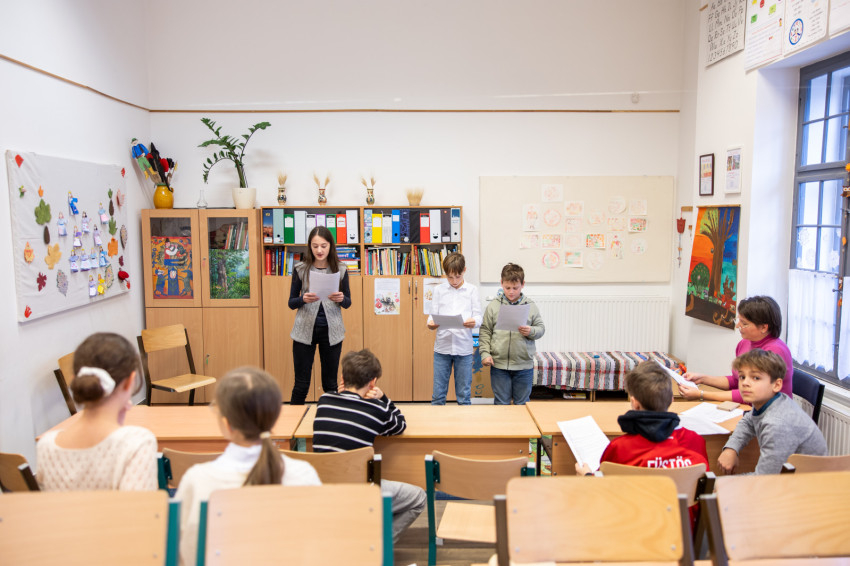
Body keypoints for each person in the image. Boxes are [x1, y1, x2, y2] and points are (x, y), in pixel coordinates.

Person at [175, 367, 321, 566]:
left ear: (226, 424)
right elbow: (316, 544)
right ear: (275, 417)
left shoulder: (198, 480)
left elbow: (185, 552)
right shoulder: (304, 475)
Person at [312, 349, 425, 542]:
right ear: (373, 382)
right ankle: (377, 545)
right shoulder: (376, 409)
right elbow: (400, 425)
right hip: (359, 492)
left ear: (342, 378)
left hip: (323, 488)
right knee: (419, 498)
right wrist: (383, 398)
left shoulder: (324, 401)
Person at [36, 332, 157, 491]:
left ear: (74, 380)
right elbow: (138, 506)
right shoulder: (137, 444)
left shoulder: (46, 445)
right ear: (129, 382)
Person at [575, 360, 708, 475]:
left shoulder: (619, 448)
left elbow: (602, 485)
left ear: (635, 403)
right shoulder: (695, 441)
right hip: (679, 498)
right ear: (671, 399)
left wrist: (587, 476)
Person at [718, 349, 827, 475]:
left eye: (756, 378)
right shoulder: (772, 400)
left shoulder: (777, 424)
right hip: (784, 477)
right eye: (742, 377)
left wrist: (722, 482)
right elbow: (749, 421)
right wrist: (731, 448)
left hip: (806, 482)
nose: (745, 383)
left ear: (776, 385)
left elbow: (764, 479)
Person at [681, 295, 793, 404]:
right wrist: (702, 378)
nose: (738, 326)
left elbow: (749, 393)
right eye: (739, 320)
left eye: (744, 323)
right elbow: (736, 381)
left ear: (764, 327)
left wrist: (701, 394)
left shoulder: (775, 351)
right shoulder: (744, 343)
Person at [289, 225, 351, 405]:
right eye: (315, 246)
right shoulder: (301, 269)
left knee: (330, 385)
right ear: (309, 246)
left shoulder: (341, 268)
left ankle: (330, 419)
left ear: (330, 246)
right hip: (304, 331)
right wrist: (302, 299)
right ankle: (294, 423)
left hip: (332, 332)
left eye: (323, 246)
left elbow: (348, 303)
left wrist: (341, 298)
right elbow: (291, 302)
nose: (319, 250)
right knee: (301, 385)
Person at [479, 263, 545, 405]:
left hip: (523, 365)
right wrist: (485, 353)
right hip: (499, 365)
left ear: (523, 284)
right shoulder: (493, 306)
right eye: (507, 287)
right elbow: (485, 331)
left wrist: (531, 331)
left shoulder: (530, 306)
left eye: (515, 288)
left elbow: (541, 328)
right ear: (501, 283)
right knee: (501, 403)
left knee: (522, 404)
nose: (511, 292)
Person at [426, 252, 482, 405]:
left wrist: (473, 321)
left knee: (464, 395)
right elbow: (432, 316)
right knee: (438, 395)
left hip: (463, 349)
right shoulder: (439, 290)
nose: (454, 281)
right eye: (450, 277)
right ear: (445, 274)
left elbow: (478, 317)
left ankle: (464, 421)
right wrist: (430, 323)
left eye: (458, 276)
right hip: (442, 348)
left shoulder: (472, 290)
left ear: (464, 270)